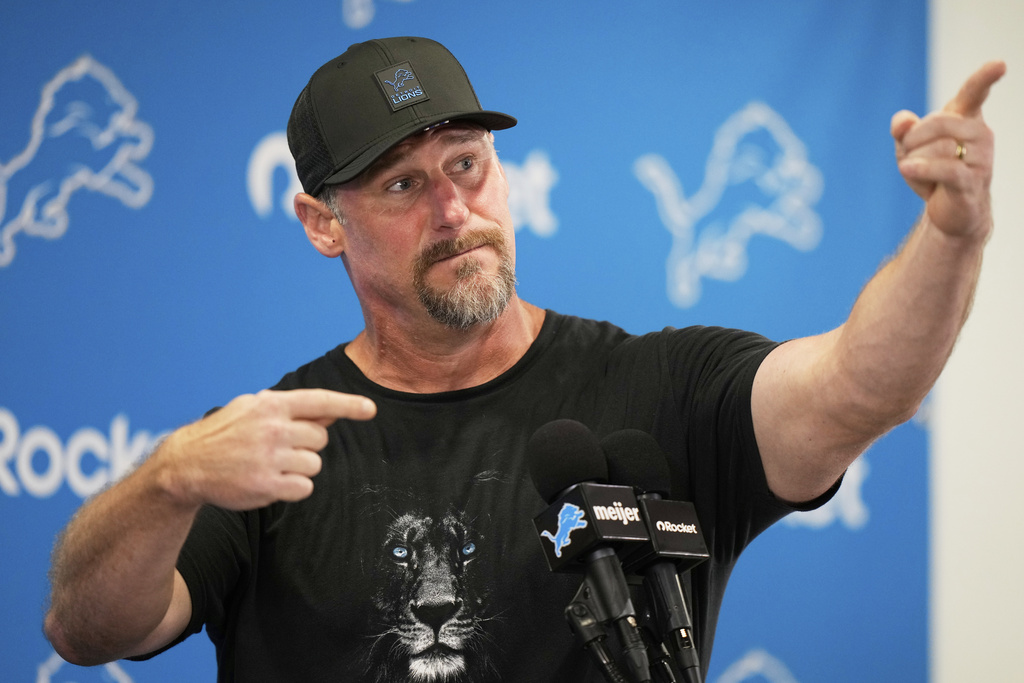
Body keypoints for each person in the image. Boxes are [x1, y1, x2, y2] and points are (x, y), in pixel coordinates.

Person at [43, 36, 1004, 682]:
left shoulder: (663, 389)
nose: (453, 209)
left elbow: (859, 386)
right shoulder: (269, 447)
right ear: (322, 224)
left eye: (466, 164)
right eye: (402, 185)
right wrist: (166, 482)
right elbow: (87, 630)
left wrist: (952, 237)